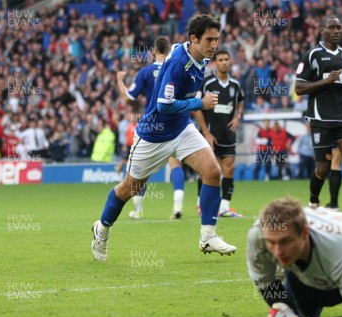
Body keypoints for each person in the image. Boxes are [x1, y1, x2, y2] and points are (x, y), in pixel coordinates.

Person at [91, 14, 237, 261]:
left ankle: (208, 236)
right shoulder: (180, 63)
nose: (214, 45)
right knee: (129, 188)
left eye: (217, 39)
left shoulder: (196, 55)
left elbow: (178, 53)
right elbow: (163, 105)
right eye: (209, 40)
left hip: (180, 129)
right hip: (153, 134)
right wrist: (198, 102)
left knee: (213, 172)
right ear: (194, 38)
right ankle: (102, 229)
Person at [295, 16, 342, 214]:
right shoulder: (312, 55)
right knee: (323, 168)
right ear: (322, 30)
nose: (337, 31)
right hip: (321, 118)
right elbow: (299, 87)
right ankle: (313, 201)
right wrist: (325, 81)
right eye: (332, 27)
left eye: (339, 27)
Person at [116, 36, 187, 220]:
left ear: (153, 51)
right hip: (175, 121)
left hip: (153, 124)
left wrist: (119, 80)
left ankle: (138, 210)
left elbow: (128, 98)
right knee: (175, 164)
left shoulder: (145, 72)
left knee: (141, 170)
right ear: (169, 49)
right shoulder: (176, 67)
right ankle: (177, 206)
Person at [193, 49, 244, 217]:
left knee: (229, 170)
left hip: (228, 134)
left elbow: (241, 101)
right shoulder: (207, 82)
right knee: (209, 171)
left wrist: (238, 116)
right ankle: (202, 204)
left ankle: (225, 208)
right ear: (214, 63)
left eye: (227, 59)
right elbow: (197, 107)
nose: (224, 62)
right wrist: (206, 132)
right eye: (221, 59)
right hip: (210, 135)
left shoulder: (235, 85)